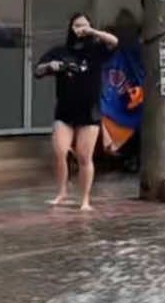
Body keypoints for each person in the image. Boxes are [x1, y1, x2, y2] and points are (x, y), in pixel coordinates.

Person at [35, 12, 118, 212]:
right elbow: (37, 70)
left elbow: (114, 42)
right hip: (65, 110)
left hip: (89, 112)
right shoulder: (60, 51)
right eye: (76, 25)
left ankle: (85, 200)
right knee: (60, 150)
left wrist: (92, 31)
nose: (80, 29)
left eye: (84, 25)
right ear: (70, 28)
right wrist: (50, 66)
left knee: (83, 156)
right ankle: (62, 192)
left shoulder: (97, 50)